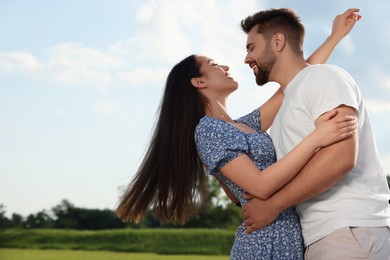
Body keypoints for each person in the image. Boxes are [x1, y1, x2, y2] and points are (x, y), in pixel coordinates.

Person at [115, 10, 357, 260]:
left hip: (288, 237)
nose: (226, 66)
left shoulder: (244, 125)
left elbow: (296, 80)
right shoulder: (208, 130)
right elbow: (261, 186)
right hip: (262, 245)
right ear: (198, 82)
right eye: (213, 65)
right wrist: (316, 138)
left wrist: (335, 37)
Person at [240, 7, 390, 259]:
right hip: (326, 237)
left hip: (348, 229)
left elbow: (340, 158)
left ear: (278, 41)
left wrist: (273, 205)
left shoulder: (324, 78)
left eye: (251, 47)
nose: (246, 58)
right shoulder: (287, 104)